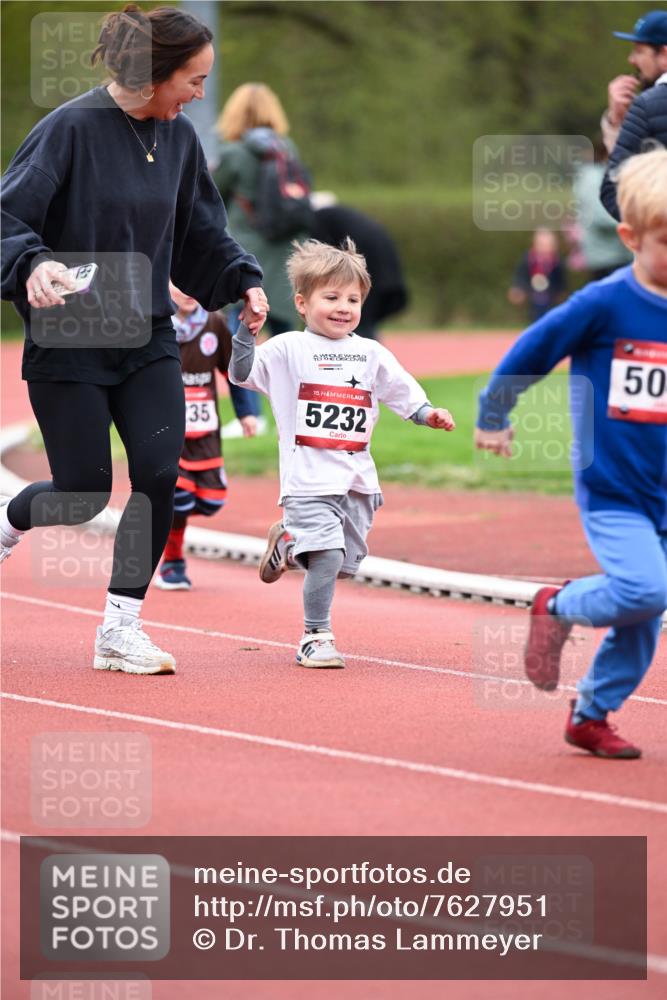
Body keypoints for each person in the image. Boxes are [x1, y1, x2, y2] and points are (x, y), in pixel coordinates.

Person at [0, 4, 268, 675]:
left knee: (157, 472)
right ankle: (7, 521)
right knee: (82, 491)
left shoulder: (179, 140)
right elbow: (7, 217)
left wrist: (242, 281)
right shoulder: (68, 129)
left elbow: (201, 230)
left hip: (147, 333)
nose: (200, 94)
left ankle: (120, 630)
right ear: (154, 75)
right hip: (70, 337)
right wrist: (32, 262)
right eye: (193, 80)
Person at [475, 149, 667, 760]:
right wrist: (494, 412)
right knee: (646, 590)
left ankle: (590, 716)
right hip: (616, 490)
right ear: (631, 238)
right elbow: (532, 351)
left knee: (643, 618)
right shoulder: (604, 304)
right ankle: (556, 606)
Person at [229, 239, 455, 669]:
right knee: (328, 556)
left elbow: (403, 392)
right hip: (307, 480)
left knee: (342, 565)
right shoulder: (287, 348)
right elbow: (241, 374)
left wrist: (428, 414)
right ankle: (315, 636)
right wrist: (247, 331)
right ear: (302, 303)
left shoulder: (370, 353)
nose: (343, 308)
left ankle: (289, 542)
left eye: (353, 300)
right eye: (331, 298)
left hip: (356, 481)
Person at [154, 283, 258, 591]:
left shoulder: (214, 323)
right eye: (178, 284)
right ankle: (172, 562)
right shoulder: (153, 323)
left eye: (193, 282)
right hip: (166, 433)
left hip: (205, 434)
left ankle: (158, 513)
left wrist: (246, 413)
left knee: (212, 501)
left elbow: (234, 373)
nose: (189, 291)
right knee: (180, 498)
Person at [212, 83, 309, 337]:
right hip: (284, 247)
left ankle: (234, 365)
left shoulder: (232, 152)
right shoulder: (287, 148)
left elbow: (211, 196)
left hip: (245, 246)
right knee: (284, 332)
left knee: (238, 323)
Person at [309, 196, 409, 341]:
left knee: (362, 311)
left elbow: (320, 249)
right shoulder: (344, 216)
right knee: (364, 308)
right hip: (381, 261)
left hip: (366, 261)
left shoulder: (321, 216)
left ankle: (363, 344)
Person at [600, 9, 667, 218]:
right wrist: (618, 120)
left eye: (639, 51)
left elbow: (615, 190)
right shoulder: (646, 105)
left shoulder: (646, 105)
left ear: (664, 54)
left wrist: (654, 230)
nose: (631, 60)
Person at [572, 139, 632, 281]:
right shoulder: (594, 178)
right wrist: (638, 224)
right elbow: (601, 217)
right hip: (607, 259)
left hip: (620, 257)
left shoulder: (609, 175)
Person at [507, 229, 566, 323]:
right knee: (534, 317)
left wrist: (561, 293)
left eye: (548, 245)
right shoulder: (528, 259)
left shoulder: (557, 261)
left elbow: (561, 280)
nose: (545, 248)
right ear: (535, 244)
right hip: (532, 295)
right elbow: (521, 275)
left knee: (550, 317)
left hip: (550, 296)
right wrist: (518, 288)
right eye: (541, 244)